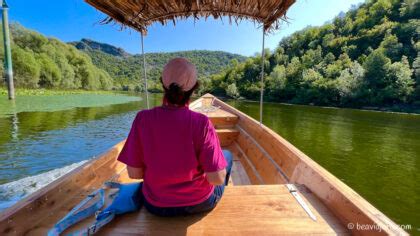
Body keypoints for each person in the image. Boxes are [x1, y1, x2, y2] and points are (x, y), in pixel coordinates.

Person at [117, 57, 233, 217]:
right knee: (227, 156)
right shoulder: (202, 123)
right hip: (199, 202)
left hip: (155, 205)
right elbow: (217, 179)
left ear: (163, 85)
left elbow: (134, 174)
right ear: (194, 88)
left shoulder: (142, 119)